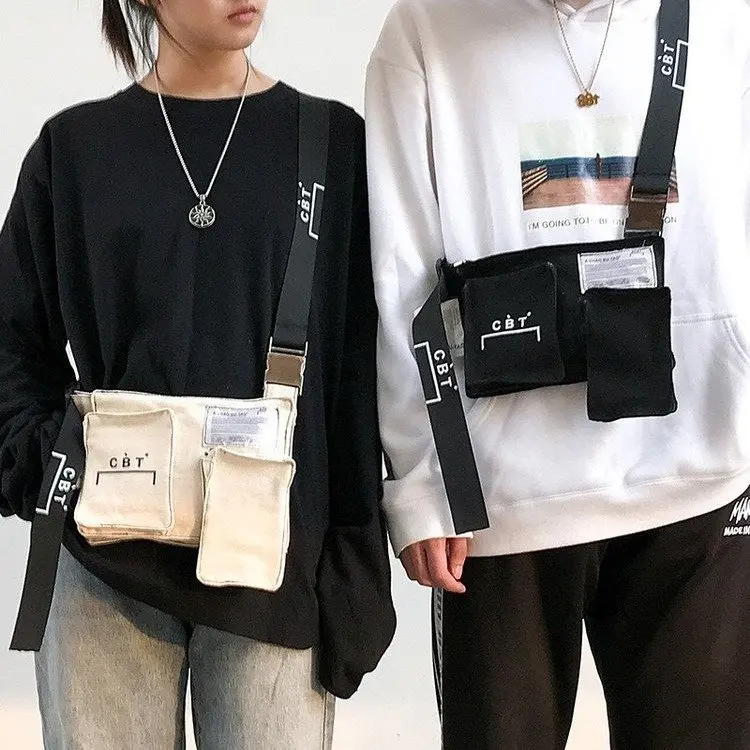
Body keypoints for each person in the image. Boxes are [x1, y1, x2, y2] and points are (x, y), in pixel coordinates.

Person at [0, 1, 395, 747]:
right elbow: (12, 341)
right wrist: (50, 463)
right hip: (103, 557)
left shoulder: (331, 143)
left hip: (275, 565)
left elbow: (358, 367)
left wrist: (354, 556)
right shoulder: (75, 150)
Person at [366, 0, 750, 747]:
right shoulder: (428, 28)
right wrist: (421, 483)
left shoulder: (727, 23)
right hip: (499, 497)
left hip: (705, 470)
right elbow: (401, 270)